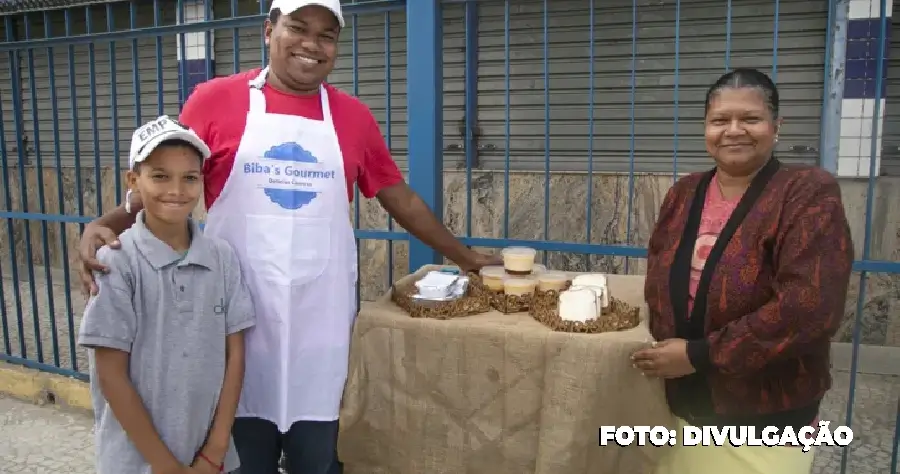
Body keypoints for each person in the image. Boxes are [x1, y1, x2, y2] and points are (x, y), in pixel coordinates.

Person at [77, 1, 498, 472]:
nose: (311, 45)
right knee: (241, 452)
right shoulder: (214, 100)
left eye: (326, 35)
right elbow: (168, 174)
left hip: (320, 324)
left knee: (317, 455)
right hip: (232, 320)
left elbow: (399, 198)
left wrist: (466, 258)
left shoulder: (353, 117)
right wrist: (107, 223)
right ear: (268, 30)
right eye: (297, 28)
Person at [633, 68, 853, 474]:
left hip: (767, 410)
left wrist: (699, 355)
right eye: (720, 120)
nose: (733, 130)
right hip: (682, 401)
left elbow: (809, 307)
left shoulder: (807, 191)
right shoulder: (683, 193)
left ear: (776, 126)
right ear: (706, 129)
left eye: (750, 119)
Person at [77, 115, 255, 474]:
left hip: (212, 459)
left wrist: (215, 450)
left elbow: (234, 353)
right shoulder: (117, 262)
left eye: (189, 178)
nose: (176, 190)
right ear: (134, 181)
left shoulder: (222, 258)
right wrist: (167, 467)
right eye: (160, 176)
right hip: (136, 463)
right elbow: (112, 375)